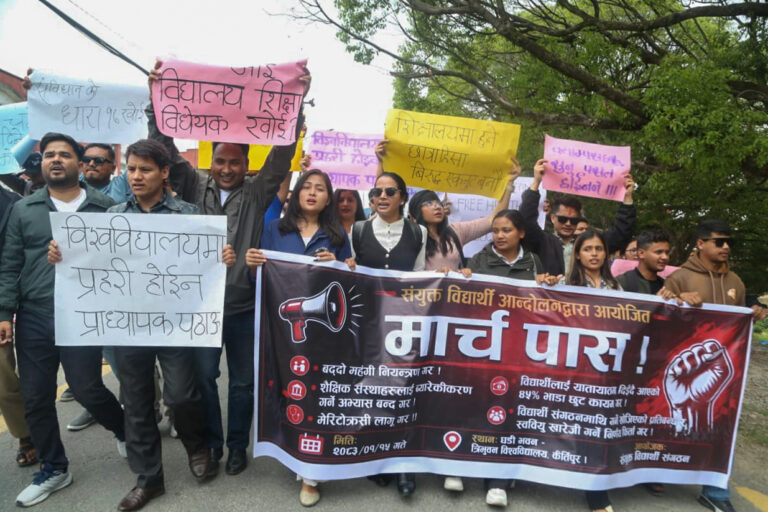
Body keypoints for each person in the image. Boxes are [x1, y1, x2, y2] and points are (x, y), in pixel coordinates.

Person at [48, 139, 236, 510]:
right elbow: (93, 262)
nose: (136, 176)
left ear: (164, 173)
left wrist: (222, 256)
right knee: (136, 403)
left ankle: (196, 445)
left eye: (145, 169)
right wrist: (62, 254)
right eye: (131, 169)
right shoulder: (113, 214)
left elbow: (203, 263)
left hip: (174, 324)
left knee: (182, 395)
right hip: (127, 325)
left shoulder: (187, 213)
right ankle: (149, 479)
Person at [146, 59, 310, 478]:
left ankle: (238, 446)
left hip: (242, 307)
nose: (226, 169)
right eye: (220, 160)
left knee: (242, 383)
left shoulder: (257, 192)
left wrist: (295, 105)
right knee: (203, 380)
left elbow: (282, 156)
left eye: (235, 162)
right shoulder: (191, 183)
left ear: (246, 164)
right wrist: (156, 99)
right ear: (210, 160)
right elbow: (163, 146)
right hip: (200, 308)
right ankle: (213, 445)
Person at [0, 132, 126, 508]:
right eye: (49, 155)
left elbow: (122, 261)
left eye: (64, 155)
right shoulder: (24, 209)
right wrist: (4, 313)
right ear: (41, 163)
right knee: (36, 395)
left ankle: (125, 430)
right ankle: (54, 468)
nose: (55, 159)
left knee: (87, 388)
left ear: (79, 164)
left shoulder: (106, 208)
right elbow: (9, 263)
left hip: (83, 313)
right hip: (36, 314)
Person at [246, 169, 351, 507]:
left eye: (320, 188)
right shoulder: (274, 229)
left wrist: (340, 265)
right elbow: (259, 278)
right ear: (296, 192)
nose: (312, 192)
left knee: (316, 395)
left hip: (322, 336)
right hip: (280, 331)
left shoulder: (337, 235)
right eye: (306, 186)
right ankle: (292, 449)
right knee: (289, 391)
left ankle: (311, 473)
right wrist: (252, 264)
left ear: (328, 198)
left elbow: (351, 281)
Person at [663, 219, 768, 512]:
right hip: (684, 371)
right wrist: (678, 298)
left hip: (726, 371)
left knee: (724, 425)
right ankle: (660, 475)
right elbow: (662, 313)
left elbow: (740, 322)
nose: (726, 247)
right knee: (678, 425)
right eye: (719, 241)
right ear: (700, 243)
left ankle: (715, 491)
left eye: (729, 242)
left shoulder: (736, 281)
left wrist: (755, 311)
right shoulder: (680, 277)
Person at [345, 171, 427, 497]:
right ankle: (375, 456)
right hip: (368, 323)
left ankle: (403, 464)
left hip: (404, 322)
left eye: (390, 191)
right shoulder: (358, 230)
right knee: (374, 388)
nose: (382, 196)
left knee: (404, 389)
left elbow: (421, 277)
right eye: (376, 191)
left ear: (403, 197)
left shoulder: (418, 232)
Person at [459, 209, 545, 506]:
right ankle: (458, 465)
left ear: (521, 233)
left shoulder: (534, 262)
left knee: (506, 411)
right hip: (482, 346)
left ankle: (497, 481)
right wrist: (463, 279)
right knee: (474, 406)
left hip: (517, 349)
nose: (499, 235)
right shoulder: (479, 260)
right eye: (495, 230)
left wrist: (546, 283)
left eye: (506, 230)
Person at [616, 230, 701, 497]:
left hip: (658, 367)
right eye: (659, 252)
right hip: (626, 363)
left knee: (651, 420)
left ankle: (648, 471)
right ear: (641, 254)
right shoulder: (621, 283)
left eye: (667, 252)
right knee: (623, 417)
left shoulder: (670, 288)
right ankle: (616, 466)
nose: (665, 257)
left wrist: (685, 301)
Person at [561, 230, 619, 512]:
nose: (594, 254)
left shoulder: (616, 287)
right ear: (577, 254)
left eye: (599, 249)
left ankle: (595, 492)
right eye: (587, 249)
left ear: (606, 253)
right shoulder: (564, 283)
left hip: (603, 369)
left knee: (596, 427)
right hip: (572, 366)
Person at [521, 159, 636, 276]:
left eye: (574, 220)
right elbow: (525, 221)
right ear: (553, 218)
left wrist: (627, 198)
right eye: (562, 219)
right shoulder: (542, 241)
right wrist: (536, 182)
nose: (568, 223)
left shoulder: (589, 243)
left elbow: (621, 234)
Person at [408, 162, 521, 273]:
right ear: (416, 212)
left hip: (453, 286)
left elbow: (493, 220)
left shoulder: (456, 231)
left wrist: (509, 184)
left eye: (438, 203)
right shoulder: (409, 238)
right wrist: (435, 274)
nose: (437, 207)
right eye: (429, 203)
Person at [0, 184, 37, 468]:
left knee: (4, 379)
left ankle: (26, 435)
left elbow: (15, 258)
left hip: (10, 296)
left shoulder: (12, 204)